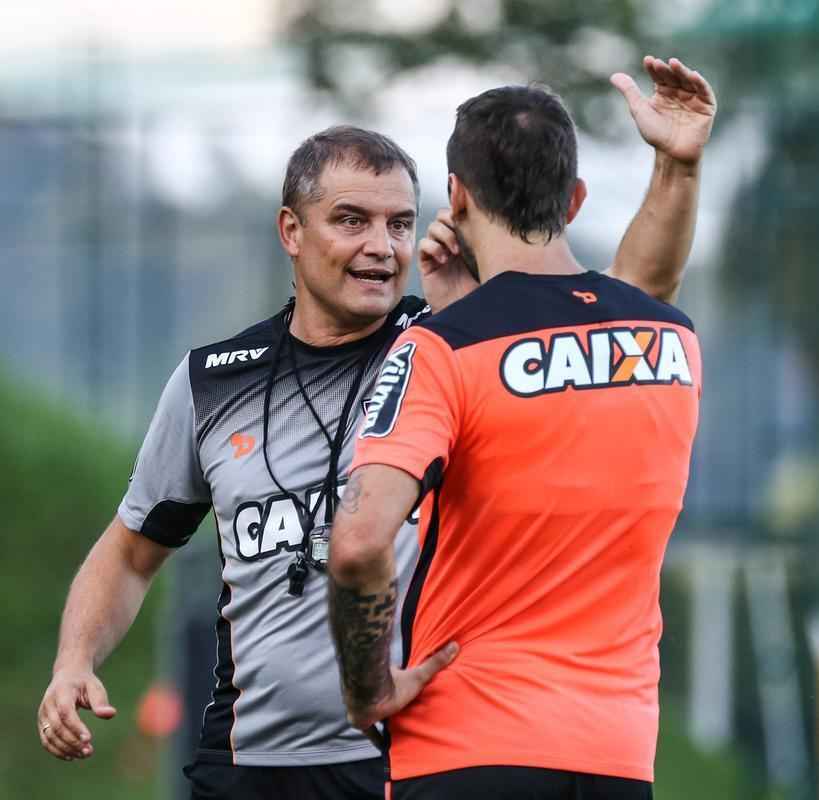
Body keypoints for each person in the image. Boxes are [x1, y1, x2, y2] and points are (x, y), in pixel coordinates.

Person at [38, 55, 714, 800]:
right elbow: (134, 548)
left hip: (403, 755)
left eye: (399, 223)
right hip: (244, 762)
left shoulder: (449, 345)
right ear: (291, 231)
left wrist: (674, 172)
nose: (382, 246)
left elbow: (624, 302)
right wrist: (75, 660)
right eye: (351, 221)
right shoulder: (213, 381)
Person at [327, 59, 715, 800]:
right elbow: (629, 299)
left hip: (463, 752)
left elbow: (358, 542)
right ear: (573, 198)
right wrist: (675, 163)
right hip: (615, 760)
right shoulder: (667, 340)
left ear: (456, 196)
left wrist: (367, 688)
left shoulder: (442, 350)